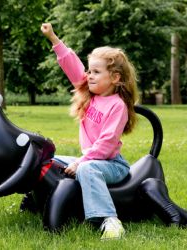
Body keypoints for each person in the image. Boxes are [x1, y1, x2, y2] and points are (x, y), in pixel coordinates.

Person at [41, 23, 139, 240]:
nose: (89, 75)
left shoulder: (117, 106)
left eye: (96, 72)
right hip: (91, 160)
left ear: (114, 78)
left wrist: (81, 162)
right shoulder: (91, 94)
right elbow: (72, 66)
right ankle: (38, 202)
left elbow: (106, 145)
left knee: (86, 170)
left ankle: (110, 221)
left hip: (112, 165)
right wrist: (54, 39)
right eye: (89, 70)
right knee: (50, 160)